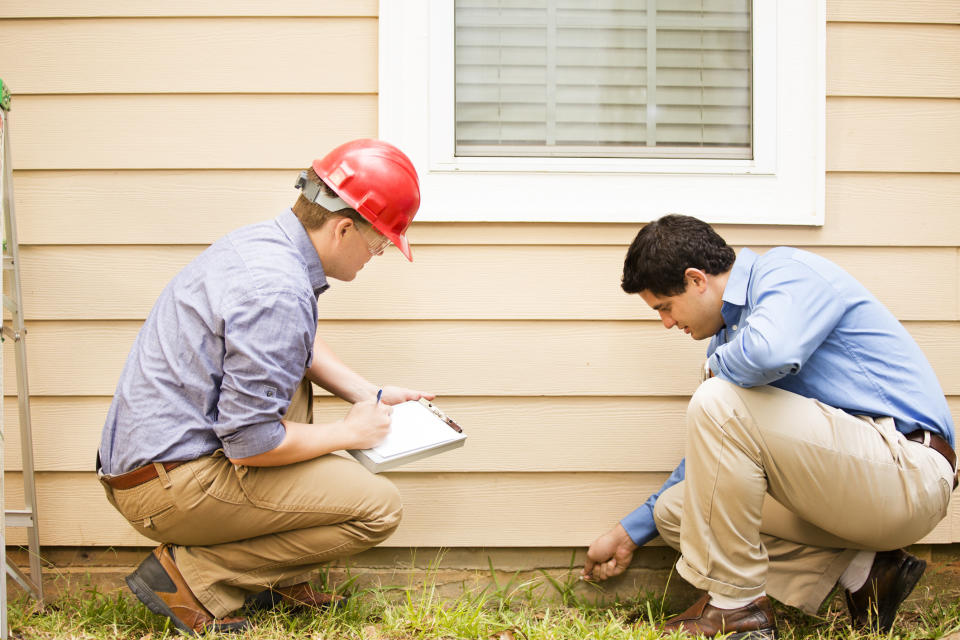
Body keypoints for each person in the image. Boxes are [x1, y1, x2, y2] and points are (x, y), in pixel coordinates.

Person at [97, 139, 433, 635]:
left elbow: (296, 346)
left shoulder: (266, 246)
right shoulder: (276, 289)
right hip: (168, 487)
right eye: (380, 241)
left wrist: (370, 396)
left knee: (285, 385)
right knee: (378, 509)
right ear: (343, 228)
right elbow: (251, 443)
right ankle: (193, 580)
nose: (378, 253)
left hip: (159, 464)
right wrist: (350, 432)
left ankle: (277, 578)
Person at [582, 215, 957, 638]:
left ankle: (738, 609)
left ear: (696, 279)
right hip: (851, 489)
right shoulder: (728, 344)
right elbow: (715, 460)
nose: (667, 323)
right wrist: (628, 533)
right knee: (679, 510)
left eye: (665, 307)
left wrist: (714, 371)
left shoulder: (785, 274)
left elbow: (771, 353)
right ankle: (866, 570)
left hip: (907, 470)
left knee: (716, 400)